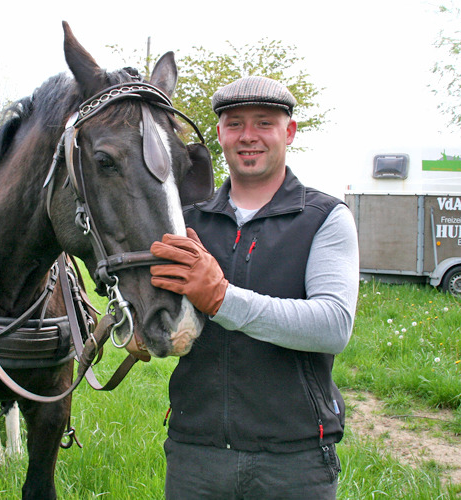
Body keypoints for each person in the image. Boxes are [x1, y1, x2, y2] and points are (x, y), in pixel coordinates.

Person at [149, 76, 359, 499]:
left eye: (264, 123)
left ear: (289, 132)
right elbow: (157, 307)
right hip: (196, 454)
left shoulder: (325, 218)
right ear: (221, 135)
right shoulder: (188, 222)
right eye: (234, 124)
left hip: (294, 459)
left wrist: (223, 299)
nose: (248, 136)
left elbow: (333, 325)